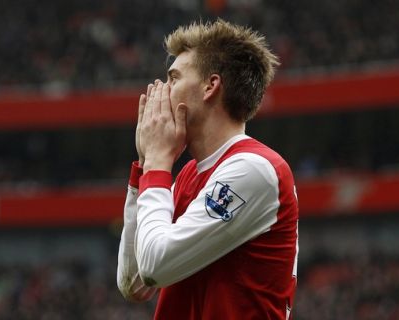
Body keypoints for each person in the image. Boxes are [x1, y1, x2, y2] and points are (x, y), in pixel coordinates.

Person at [117, 19, 299, 320]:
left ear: (210, 86)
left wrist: (159, 163)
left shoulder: (254, 169)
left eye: (174, 78)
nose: (163, 91)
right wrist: (146, 166)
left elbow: (154, 267)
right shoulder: (190, 174)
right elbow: (133, 283)